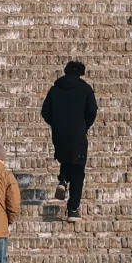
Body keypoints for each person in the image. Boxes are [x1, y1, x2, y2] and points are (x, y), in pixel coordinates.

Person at [41, 60, 98, 222]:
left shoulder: (55, 89)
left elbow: (45, 112)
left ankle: (63, 179)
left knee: (66, 157)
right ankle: (73, 209)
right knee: (78, 170)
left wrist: (56, 124)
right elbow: (92, 110)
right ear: (81, 73)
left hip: (59, 134)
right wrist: (83, 125)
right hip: (78, 133)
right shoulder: (85, 89)